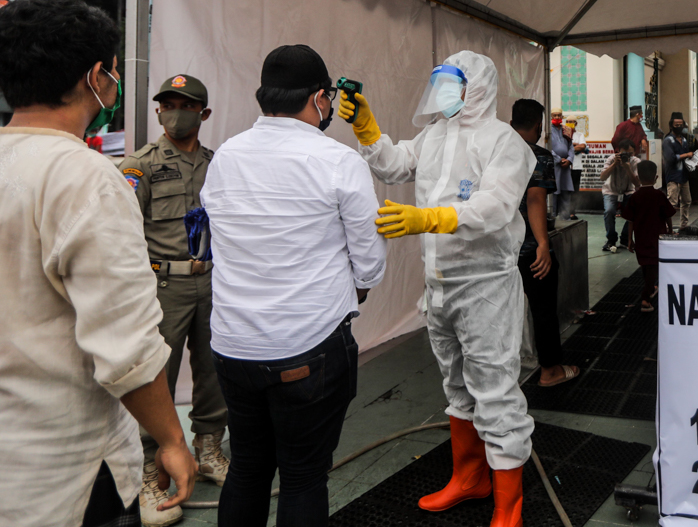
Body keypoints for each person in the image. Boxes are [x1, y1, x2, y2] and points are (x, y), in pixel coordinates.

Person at [0, 0, 197, 527]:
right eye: (111, 71)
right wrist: (172, 440)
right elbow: (125, 346)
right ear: (96, 78)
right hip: (67, 472)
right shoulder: (85, 177)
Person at [339, 50, 534, 527]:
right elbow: (393, 164)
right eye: (440, 83)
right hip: (440, 284)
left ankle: (510, 503)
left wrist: (431, 217)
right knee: (455, 383)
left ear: (477, 88)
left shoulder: (502, 141)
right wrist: (367, 127)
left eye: (452, 83)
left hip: (485, 286)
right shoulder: (434, 136)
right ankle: (470, 477)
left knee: (495, 387)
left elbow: (496, 206)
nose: (443, 93)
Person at [202, 45, 387, 526]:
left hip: (233, 347)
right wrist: (360, 285)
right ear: (320, 97)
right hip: (307, 349)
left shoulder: (225, 155)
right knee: (303, 476)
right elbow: (369, 261)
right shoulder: (337, 160)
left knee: (247, 466)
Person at [120, 74, 229, 523]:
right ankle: (152, 467)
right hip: (162, 286)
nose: (174, 112)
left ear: (203, 114)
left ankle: (208, 448)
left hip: (214, 282)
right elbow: (122, 234)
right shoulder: (138, 166)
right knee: (154, 376)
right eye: (167, 104)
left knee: (215, 365)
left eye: (185, 105)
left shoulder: (219, 163)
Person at [510, 100, 580, 388]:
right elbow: (536, 198)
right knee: (542, 308)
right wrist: (542, 243)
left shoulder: (489, 150)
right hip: (528, 249)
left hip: (495, 250)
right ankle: (550, 370)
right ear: (539, 126)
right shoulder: (537, 155)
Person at [621, 161, 676, 312]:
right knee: (653, 265)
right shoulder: (659, 195)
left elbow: (630, 221)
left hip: (641, 237)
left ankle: (650, 287)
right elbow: (668, 216)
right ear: (656, 177)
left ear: (638, 177)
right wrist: (670, 231)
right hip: (657, 237)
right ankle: (645, 298)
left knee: (645, 264)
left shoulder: (635, 197)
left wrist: (630, 240)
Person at [600, 138, 639, 252]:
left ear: (634, 153)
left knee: (634, 212)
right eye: (624, 154)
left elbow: (637, 183)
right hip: (611, 190)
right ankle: (611, 240)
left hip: (628, 190)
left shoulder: (635, 161)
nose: (627, 156)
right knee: (609, 211)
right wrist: (614, 164)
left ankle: (625, 239)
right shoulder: (611, 159)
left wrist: (628, 168)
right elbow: (602, 177)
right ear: (618, 152)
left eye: (630, 154)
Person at [662, 112, 696, 230]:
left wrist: (695, 162)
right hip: (673, 176)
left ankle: (684, 225)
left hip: (684, 176)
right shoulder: (668, 140)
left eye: (681, 124)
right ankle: (666, 227)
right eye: (676, 124)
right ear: (671, 125)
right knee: (671, 204)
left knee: (687, 201)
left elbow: (686, 159)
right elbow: (670, 158)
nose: (679, 127)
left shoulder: (684, 140)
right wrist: (686, 154)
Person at [548, 108, 575, 220]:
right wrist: (558, 159)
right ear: (551, 117)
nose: (557, 117)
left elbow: (571, 147)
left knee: (565, 191)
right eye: (555, 115)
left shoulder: (566, 130)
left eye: (559, 115)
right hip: (554, 166)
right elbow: (548, 147)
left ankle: (566, 217)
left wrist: (569, 159)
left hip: (565, 167)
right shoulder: (548, 130)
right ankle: (552, 217)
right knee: (554, 192)